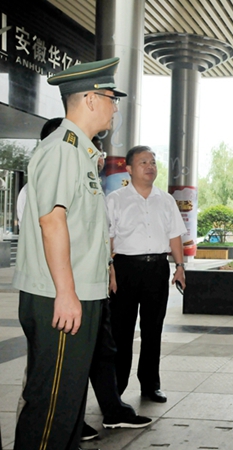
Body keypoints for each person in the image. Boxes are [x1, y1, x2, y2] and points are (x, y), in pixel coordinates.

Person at [12, 57, 126, 450]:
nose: (115, 108)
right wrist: (65, 292)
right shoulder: (63, 149)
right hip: (60, 295)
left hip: (77, 293)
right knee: (52, 408)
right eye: (111, 98)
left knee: (69, 407)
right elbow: (52, 222)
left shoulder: (81, 153)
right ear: (91, 99)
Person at [107, 146, 186, 404]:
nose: (150, 166)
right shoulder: (115, 199)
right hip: (125, 269)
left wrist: (179, 267)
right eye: (143, 162)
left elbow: (175, 235)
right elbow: (108, 238)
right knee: (121, 331)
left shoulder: (166, 200)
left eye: (153, 162)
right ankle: (116, 389)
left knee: (153, 329)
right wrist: (109, 268)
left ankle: (151, 385)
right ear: (129, 169)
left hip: (157, 269)